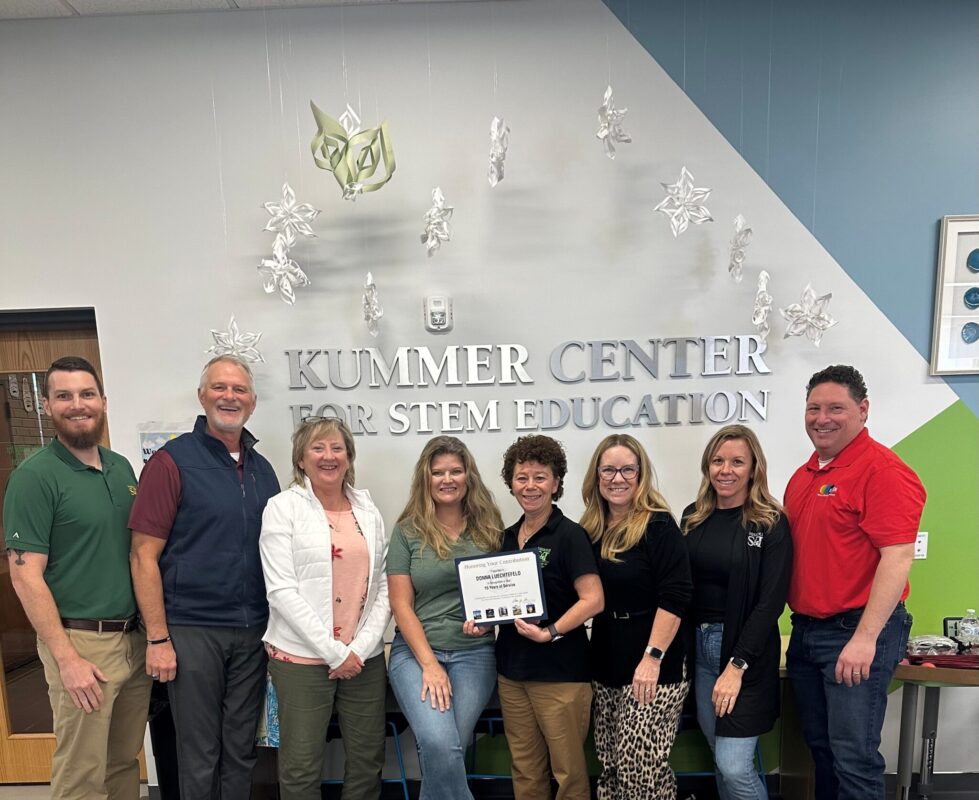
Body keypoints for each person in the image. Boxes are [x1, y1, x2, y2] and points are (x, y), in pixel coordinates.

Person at [129, 355, 281, 800]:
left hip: (253, 630)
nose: (229, 397)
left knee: (240, 750)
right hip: (192, 630)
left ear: (251, 402)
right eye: (219, 387)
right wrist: (158, 639)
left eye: (239, 390)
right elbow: (142, 556)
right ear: (202, 396)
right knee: (198, 751)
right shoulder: (170, 462)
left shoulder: (262, 469)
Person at [3, 356, 151, 800]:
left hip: (132, 639)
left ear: (103, 402)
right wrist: (66, 659)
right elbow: (26, 576)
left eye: (86, 394)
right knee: (81, 773)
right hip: (80, 643)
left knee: (124, 763)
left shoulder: (121, 468)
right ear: (48, 406)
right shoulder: (35, 477)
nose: (77, 405)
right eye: (63, 396)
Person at [785, 365, 925, 800]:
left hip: (855, 633)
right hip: (807, 632)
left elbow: (898, 556)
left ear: (863, 410)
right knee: (822, 752)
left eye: (835, 408)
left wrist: (866, 639)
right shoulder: (805, 475)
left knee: (854, 757)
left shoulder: (882, 470)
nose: (821, 418)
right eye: (813, 408)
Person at [260, 417, 391, 800]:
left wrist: (361, 648)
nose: (328, 456)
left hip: (363, 658)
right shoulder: (282, 508)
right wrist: (334, 652)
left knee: (368, 759)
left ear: (349, 458)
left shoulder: (368, 509)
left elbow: (382, 584)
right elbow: (281, 592)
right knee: (301, 767)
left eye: (337, 448)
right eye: (318, 448)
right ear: (301, 459)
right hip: (301, 659)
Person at [386, 436, 504, 800]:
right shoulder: (407, 531)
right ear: (426, 477)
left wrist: (490, 621)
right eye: (437, 472)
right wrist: (429, 666)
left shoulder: (490, 527)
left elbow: (502, 592)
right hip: (416, 654)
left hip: (475, 653)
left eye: (455, 470)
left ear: (469, 475)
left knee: (445, 746)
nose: (447, 479)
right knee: (439, 742)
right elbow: (400, 605)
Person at [681, 425, 792, 800]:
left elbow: (770, 602)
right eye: (717, 460)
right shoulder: (693, 517)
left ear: (753, 468)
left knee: (734, 766)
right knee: (720, 760)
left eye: (736, 462)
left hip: (745, 653)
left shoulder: (769, 521)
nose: (725, 470)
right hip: (699, 650)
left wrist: (736, 665)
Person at [580, 433, 691, 800]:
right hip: (607, 657)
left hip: (653, 662)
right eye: (609, 469)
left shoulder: (658, 526)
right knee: (611, 763)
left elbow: (676, 597)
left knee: (640, 767)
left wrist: (652, 658)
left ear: (641, 474)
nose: (618, 478)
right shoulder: (590, 529)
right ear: (597, 476)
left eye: (628, 469)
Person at [496, 435, 604, 800]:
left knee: (569, 773)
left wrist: (551, 632)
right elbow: (501, 602)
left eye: (540, 477)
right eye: (522, 477)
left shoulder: (571, 536)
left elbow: (593, 600)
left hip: (560, 673)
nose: (530, 486)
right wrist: (480, 619)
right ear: (511, 483)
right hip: (512, 673)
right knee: (525, 770)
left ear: (556, 483)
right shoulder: (507, 538)